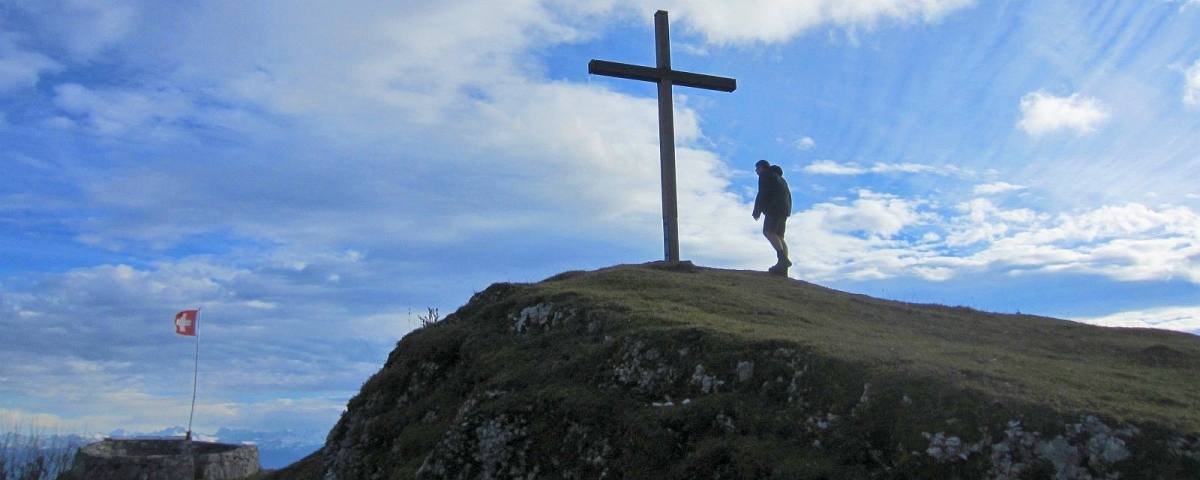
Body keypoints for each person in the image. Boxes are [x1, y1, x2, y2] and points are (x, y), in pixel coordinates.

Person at [752, 160, 792, 275]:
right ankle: (783, 269)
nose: (756, 172)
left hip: (774, 209)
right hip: (784, 210)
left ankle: (783, 260)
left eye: (757, 169)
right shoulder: (781, 180)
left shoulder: (766, 175)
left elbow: (762, 193)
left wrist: (757, 210)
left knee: (768, 232)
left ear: (761, 167)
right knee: (779, 236)